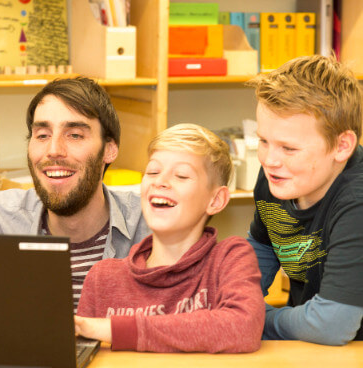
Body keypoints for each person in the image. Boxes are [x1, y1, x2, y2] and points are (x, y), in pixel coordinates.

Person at [0, 77, 150, 309]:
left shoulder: (152, 226)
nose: (53, 150)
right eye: (42, 135)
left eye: (75, 135)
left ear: (109, 149)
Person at [75, 123, 265, 353]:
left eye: (182, 175)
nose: (160, 181)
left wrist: (116, 330)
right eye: (153, 172)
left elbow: (243, 328)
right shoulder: (103, 278)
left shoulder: (229, 259)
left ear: (215, 200)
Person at [246, 55, 363, 344]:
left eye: (289, 148)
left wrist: (256, 320)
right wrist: (235, 306)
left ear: (341, 145)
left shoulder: (357, 201)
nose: (270, 160)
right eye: (263, 141)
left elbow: (332, 324)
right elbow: (255, 260)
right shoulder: (278, 178)